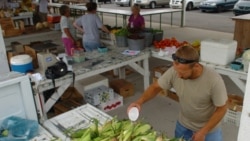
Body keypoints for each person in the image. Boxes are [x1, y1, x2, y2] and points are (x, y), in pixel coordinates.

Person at [127, 46, 228, 141]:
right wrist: (139, 102)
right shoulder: (175, 72)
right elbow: (155, 87)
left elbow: (222, 108)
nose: (178, 76)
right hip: (183, 125)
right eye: (176, 71)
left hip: (209, 131)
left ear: (196, 66)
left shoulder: (214, 80)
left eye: (182, 73)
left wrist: (203, 132)